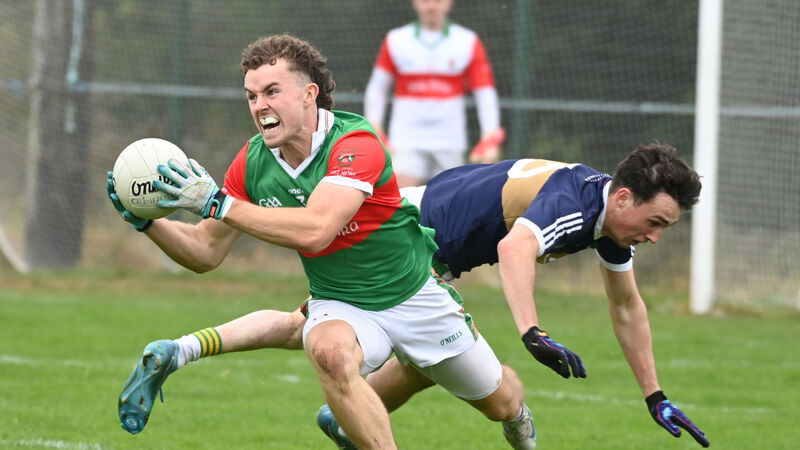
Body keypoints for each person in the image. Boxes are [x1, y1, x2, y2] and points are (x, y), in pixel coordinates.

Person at [111, 143, 711, 448]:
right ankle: (351, 412)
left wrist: (655, 395)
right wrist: (532, 333)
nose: (655, 236)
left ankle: (184, 350)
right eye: (656, 222)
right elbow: (515, 248)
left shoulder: (605, 215)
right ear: (625, 197)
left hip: (416, 231)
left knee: (318, 328)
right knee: (440, 360)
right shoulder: (577, 201)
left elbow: (627, 305)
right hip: (410, 239)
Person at [109, 33, 535, 450]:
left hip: (414, 297)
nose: (259, 106)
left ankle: (518, 418)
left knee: (500, 402)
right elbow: (205, 251)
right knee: (329, 353)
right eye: (252, 96)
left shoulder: (356, 143)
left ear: (309, 94)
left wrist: (218, 203)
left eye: (272, 91)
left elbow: (316, 230)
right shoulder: (252, 162)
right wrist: (149, 225)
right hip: (340, 303)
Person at [364, 0, 505, 188]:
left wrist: (490, 136)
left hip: (450, 139)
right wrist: (374, 126)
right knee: (401, 196)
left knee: (449, 198)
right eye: (425, 0)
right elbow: (377, 88)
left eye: (437, 0)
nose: (431, 6)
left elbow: (485, 92)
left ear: (449, 3)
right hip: (407, 137)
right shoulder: (396, 40)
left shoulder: (467, 41)